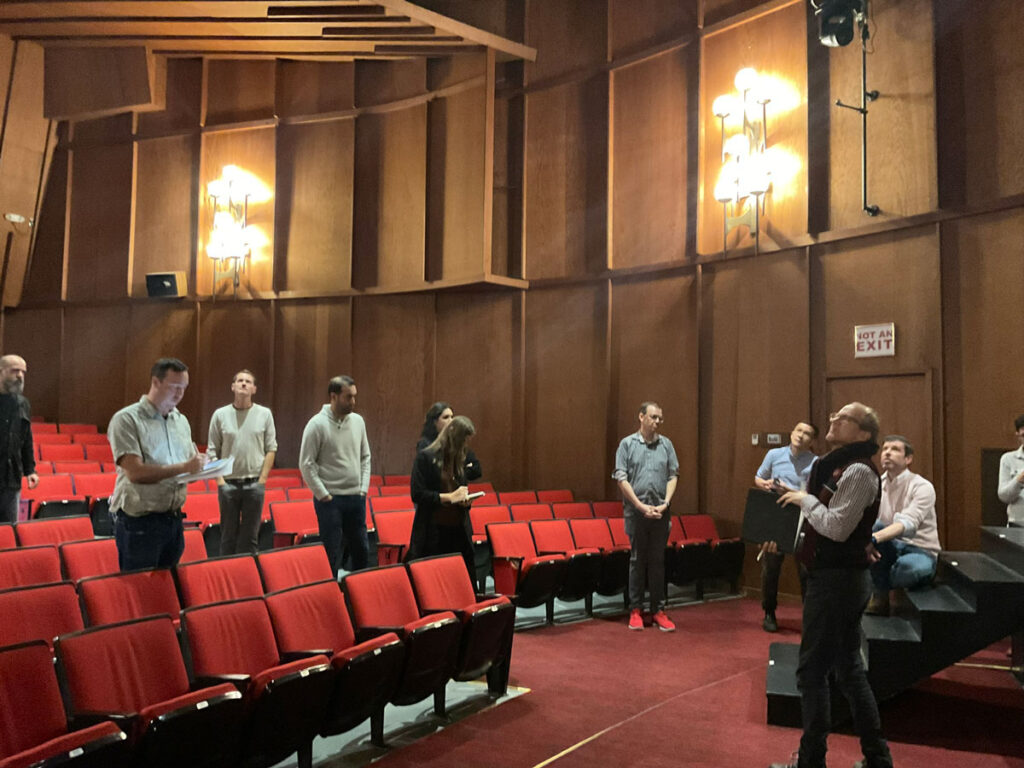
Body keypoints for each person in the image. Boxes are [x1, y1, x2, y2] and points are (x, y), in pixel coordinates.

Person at [771, 402, 893, 768]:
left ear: (864, 433)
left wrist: (804, 499)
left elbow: (836, 528)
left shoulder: (858, 471)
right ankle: (876, 758)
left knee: (812, 672)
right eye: (834, 415)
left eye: (843, 418)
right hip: (835, 577)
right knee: (848, 670)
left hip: (838, 582)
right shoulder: (835, 465)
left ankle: (812, 761)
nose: (833, 420)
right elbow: (828, 524)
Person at [108, 358, 204, 572]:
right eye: (174, 386)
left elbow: (186, 467)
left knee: (167, 586)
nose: (180, 393)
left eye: (184, 387)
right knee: (138, 586)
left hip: (173, 518)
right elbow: (135, 473)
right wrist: (185, 468)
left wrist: (201, 468)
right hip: (140, 521)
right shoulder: (127, 419)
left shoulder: (181, 421)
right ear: (156, 382)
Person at [613, 401, 678, 633]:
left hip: (661, 512)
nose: (657, 421)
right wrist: (640, 506)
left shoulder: (666, 445)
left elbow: (673, 476)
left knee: (658, 561)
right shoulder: (627, 445)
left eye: (660, 418)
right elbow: (621, 479)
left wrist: (665, 503)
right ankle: (636, 610)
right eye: (653, 417)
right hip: (636, 513)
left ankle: (658, 610)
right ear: (641, 417)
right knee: (637, 561)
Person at [299, 375, 371, 576]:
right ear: (333, 396)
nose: (353, 402)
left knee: (362, 550)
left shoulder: (358, 421)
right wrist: (323, 495)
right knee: (330, 552)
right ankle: (328, 590)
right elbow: (306, 463)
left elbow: (365, 457)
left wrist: (363, 489)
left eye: (354, 396)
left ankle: (361, 589)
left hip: (356, 498)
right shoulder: (317, 424)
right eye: (348, 397)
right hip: (330, 501)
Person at [865, 435, 940, 615]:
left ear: (908, 459)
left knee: (909, 569)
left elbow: (907, 524)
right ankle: (881, 594)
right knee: (875, 525)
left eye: (895, 449)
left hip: (919, 549)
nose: (887, 453)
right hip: (888, 549)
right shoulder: (876, 484)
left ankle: (883, 587)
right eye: (885, 449)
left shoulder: (922, 486)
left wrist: (872, 540)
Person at [754, 421, 818, 632]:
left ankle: (809, 616)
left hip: (802, 517)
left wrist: (791, 491)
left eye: (807, 433)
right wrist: (764, 483)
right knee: (771, 566)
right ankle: (769, 612)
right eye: (798, 430)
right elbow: (759, 477)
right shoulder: (774, 454)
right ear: (791, 433)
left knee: (805, 569)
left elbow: (815, 495)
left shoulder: (816, 462)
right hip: (777, 514)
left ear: (812, 440)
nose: (801, 435)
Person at [206, 369, 278, 555]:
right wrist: (220, 482)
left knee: (250, 539)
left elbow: (271, 449)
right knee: (227, 538)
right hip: (228, 485)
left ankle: (248, 572)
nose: (243, 384)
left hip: (254, 485)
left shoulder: (265, 414)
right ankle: (226, 571)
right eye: (239, 381)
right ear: (233, 387)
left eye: (248, 381)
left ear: (254, 389)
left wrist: (262, 480)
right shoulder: (220, 414)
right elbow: (212, 451)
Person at [409, 415, 476, 574]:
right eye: (462, 440)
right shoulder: (425, 457)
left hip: (459, 530)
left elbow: (460, 489)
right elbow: (417, 494)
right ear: (452, 437)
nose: (465, 445)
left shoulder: (458, 458)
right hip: (434, 532)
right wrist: (449, 497)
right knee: (436, 578)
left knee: (464, 580)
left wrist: (465, 501)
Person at [0, 355, 37, 523]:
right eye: (15, 371)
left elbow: (26, 438)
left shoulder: (23, 403)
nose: (20, 376)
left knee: (9, 529)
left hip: (11, 479)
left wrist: (30, 470)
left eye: (23, 372)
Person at [416, 402, 482, 481]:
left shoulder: (457, 441)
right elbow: (434, 473)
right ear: (434, 421)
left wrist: (457, 474)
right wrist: (461, 470)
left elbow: (477, 470)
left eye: (452, 417)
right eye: (446, 417)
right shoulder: (425, 444)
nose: (451, 421)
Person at [997, 414, 1024, 526]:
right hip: (1017, 525)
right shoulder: (1008, 459)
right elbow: (1003, 496)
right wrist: (1019, 479)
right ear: (1018, 435)